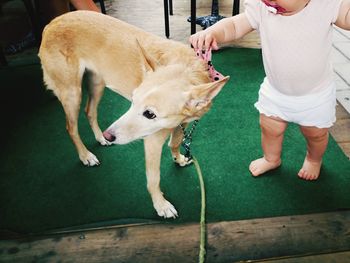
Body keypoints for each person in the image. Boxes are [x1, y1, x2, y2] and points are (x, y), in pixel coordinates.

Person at [189, 0, 350, 180]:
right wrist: (213, 32)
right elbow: (234, 26)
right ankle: (271, 158)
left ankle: (313, 159)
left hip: (315, 96)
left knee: (316, 135)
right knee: (270, 129)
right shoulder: (262, 7)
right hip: (276, 92)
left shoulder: (327, 5)